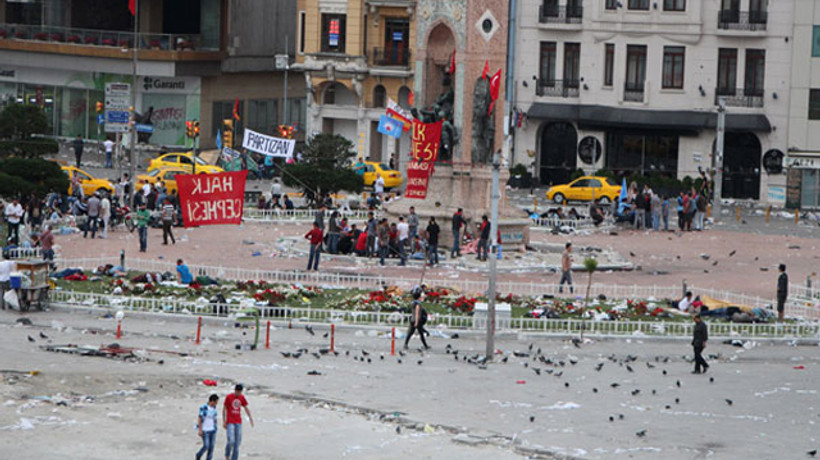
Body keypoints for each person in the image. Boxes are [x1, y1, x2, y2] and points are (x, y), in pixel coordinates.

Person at [223, 384, 253, 460]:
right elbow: (224, 409)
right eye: (237, 391)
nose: (238, 393)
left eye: (239, 392)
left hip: (238, 421)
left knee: (237, 442)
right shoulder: (229, 397)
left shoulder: (242, 397)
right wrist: (224, 421)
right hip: (230, 421)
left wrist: (250, 417)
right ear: (235, 390)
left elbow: (246, 407)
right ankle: (227, 454)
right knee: (231, 441)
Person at [196, 394, 219, 460]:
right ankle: (198, 454)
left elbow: (214, 418)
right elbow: (200, 418)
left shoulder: (214, 408)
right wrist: (200, 430)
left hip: (212, 429)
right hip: (205, 430)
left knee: (211, 447)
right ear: (212, 401)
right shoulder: (203, 407)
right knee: (206, 445)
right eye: (216, 402)